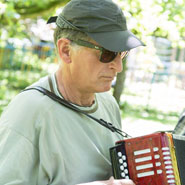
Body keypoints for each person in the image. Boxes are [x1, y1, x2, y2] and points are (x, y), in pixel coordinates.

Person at [0, 0, 144, 184]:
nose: (118, 67)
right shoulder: (29, 112)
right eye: (107, 53)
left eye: (122, 53)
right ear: (66, 50)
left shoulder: (108, 104)